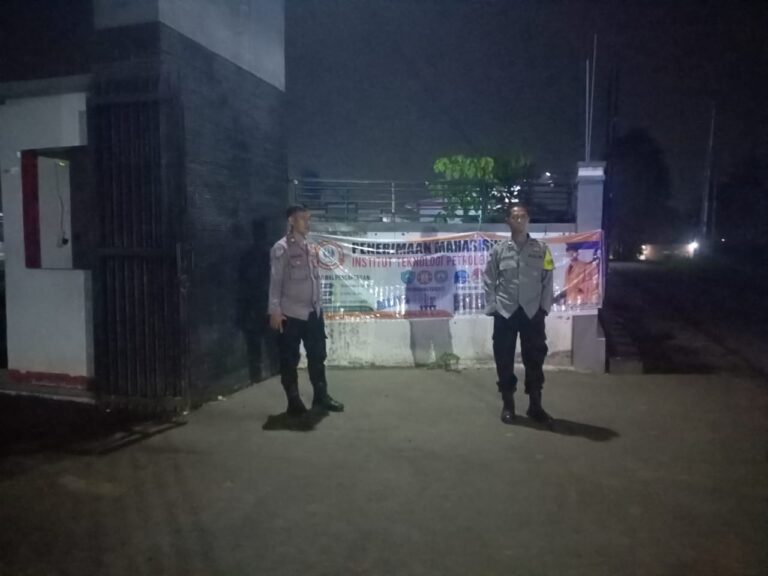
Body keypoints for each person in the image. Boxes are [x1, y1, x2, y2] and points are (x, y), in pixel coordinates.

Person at [268, 205, 344, 416]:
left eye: (308, 219)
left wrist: (319, 307)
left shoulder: (311, 248)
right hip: (291, 314)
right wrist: (274, 311)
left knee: (318, 356)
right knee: (289, 360)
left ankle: (321, 396)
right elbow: (275, 281)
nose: (307, 223)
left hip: (313, 313)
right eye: (303, 219)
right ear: (291, 221)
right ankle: (294, 403)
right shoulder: (281, 248)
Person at [483, 203, 554, 425]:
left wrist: (544, 308)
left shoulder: (542, 249)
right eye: (515, 217)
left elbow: (548, 279)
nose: (519, 220)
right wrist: (493, 307)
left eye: (523, 216)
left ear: (528, 220)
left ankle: (535, 405)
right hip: (505, 312)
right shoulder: (499, 250)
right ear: (508, 221)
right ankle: (508, 404)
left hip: (532, 313)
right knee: (504, 359)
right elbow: (489, 279)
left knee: (535, 360)